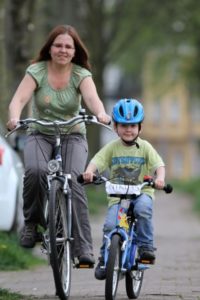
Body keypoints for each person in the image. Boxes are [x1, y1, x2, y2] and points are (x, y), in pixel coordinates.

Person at [7, 24, 110, 265]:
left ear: (75, 51)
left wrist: (102, 114)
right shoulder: (37, 70)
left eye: (68, 46)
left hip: (72, 135)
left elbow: (93, 100)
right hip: (40, 132)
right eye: (58, 45)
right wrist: (14, 117)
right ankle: (32, 225)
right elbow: (18, 100)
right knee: (35, 171)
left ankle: (83, 248)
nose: (63, 50)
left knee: (74, 180)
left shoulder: (80, 74)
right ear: (49, 48)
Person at [82, 98, 165, 279]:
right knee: (111, 225)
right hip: (119, 197)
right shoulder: (112, 148)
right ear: (115, 127)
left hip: (141, 193)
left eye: (133, 126)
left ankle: (145, 248)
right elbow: (97, 160)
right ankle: (105, 259)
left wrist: (160, 179)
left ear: (140, 128)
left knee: (143, 210)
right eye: (124, 125)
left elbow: (159, 165)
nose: (128, 130)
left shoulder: (145, 147)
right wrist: (89, 172)